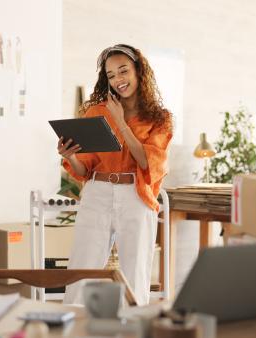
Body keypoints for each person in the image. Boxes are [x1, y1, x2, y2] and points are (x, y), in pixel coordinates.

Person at [59, 44, 173, 305]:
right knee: (82, 268)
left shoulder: (160, 118)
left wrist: (120, 121)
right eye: (111, 75)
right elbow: (84, 170)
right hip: (97, 192)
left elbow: (147, 160)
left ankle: (132, 329)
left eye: (123, 71)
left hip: (136, 195)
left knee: (135, 272)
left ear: (138, 71)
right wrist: (70, 156)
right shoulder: (95, 113)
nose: (118, 80)